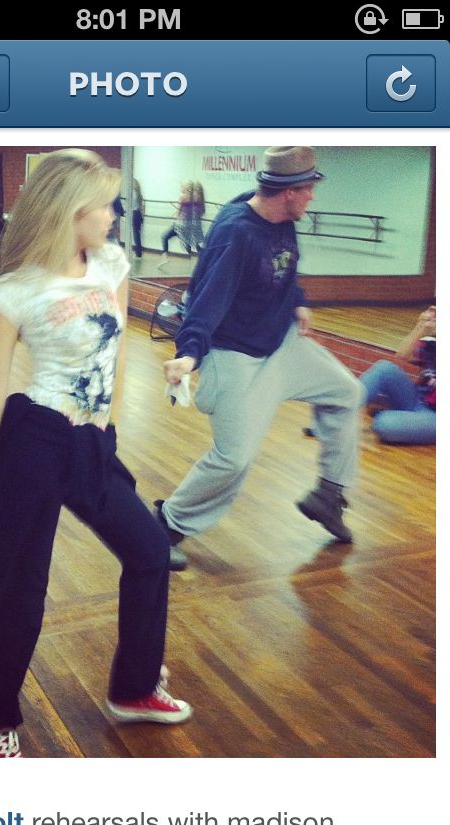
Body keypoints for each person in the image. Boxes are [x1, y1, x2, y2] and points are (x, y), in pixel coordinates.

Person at [0, 149, 191, 760]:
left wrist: (110, 426)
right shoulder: (14, 291)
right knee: (22, 591)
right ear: (69, 211)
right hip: (35, 442)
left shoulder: (111, 263)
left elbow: (119, 350)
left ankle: (134, 688)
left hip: (90, 444)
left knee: (149, 551)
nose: (114, 215)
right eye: (105, 205)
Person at [156, 146, 362, 570]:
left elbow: (286, 265)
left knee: (347, 392)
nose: (312, 197)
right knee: (233, 459)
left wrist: (297, 300)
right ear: (288, 192)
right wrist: (189, 355)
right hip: (236, 356)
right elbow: (204, 301)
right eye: (308, 190)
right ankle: (165, 525)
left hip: (281, 344)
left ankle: (329, 495)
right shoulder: (237, 234)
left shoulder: (283, 218)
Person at [359, 306, 436, 444]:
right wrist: (421, 328)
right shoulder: (433, 340)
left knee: (384, 424)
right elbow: (403, 355)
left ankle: (399, 419)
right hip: (417, 399)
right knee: (384, 368)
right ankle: (338, 413)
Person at [159, 180, 194, 266]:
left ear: (186, 188)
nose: (180, 188)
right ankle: (196, 257)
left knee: (164, 237)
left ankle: (165, 257)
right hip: (187, 225)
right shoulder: (193, 198)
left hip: (179, 225)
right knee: (186, 245)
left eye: (182, 186)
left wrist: (174, 216)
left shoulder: (183, 197)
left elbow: (179, 210)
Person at [190, 181, 206, 253]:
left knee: (199, 241)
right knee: (198, 241)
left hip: (195, 222)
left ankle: (204, 255)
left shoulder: (196, 196)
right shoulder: (201, 197)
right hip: (196, 221)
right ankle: (203, 255)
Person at [131, 178, 144, 258]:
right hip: (139, 214)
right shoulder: (139, 194)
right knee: (137, 234)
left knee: (136, 234)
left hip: (135, 214)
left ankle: (138, 253)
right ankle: (138, 252)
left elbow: (131, 205)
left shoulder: (133, 194)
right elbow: (141, 206)